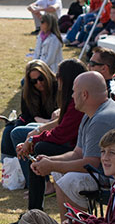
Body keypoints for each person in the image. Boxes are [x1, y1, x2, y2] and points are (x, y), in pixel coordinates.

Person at [28, 71, 115, 215]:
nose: (72, 96)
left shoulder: (101, 119)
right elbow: (78, 153)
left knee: (70, 181)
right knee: (59, 174)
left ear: (84, 95)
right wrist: (49, 160)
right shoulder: (92, 114)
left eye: (74, 92)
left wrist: (52, 165)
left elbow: (90, 164)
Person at [15, 59, 86, 211]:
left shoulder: (76, 101)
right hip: (73, 143)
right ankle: (34, 209)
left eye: (59, 75)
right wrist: (34, 133)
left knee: (38, 148)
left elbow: (61, 133)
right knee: (18, 133)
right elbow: (60, 123)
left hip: (79, 149)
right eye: (33, 81)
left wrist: (33, 139)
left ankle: (34, 210)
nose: (56, 78)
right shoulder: (72, 98)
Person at [0, 60, 58, 160]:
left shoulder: (57, 87)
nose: (39, 83)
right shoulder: (28, 92)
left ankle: (23, 165)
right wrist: (40, 119)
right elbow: (27, 114)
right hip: (38, 122)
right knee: (8, 131)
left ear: (47, 75)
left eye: (41, 78)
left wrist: (45, 122)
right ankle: (8, 164)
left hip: (53, 125)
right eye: (34, 81)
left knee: (17, 133)